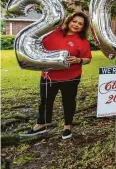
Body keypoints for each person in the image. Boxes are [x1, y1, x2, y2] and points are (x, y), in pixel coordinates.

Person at [20, 12, 92, 140]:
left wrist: (78, 60)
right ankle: (41, 125)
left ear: (83, 27)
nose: (76, 25)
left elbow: (87, 59)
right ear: (69, 21)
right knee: (45, 101)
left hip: (71, 77)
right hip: (48, 76)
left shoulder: (82, 41)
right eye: (74, 21)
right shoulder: (54, 31)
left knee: (68, 102)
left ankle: (67, 127)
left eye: (80, 24)